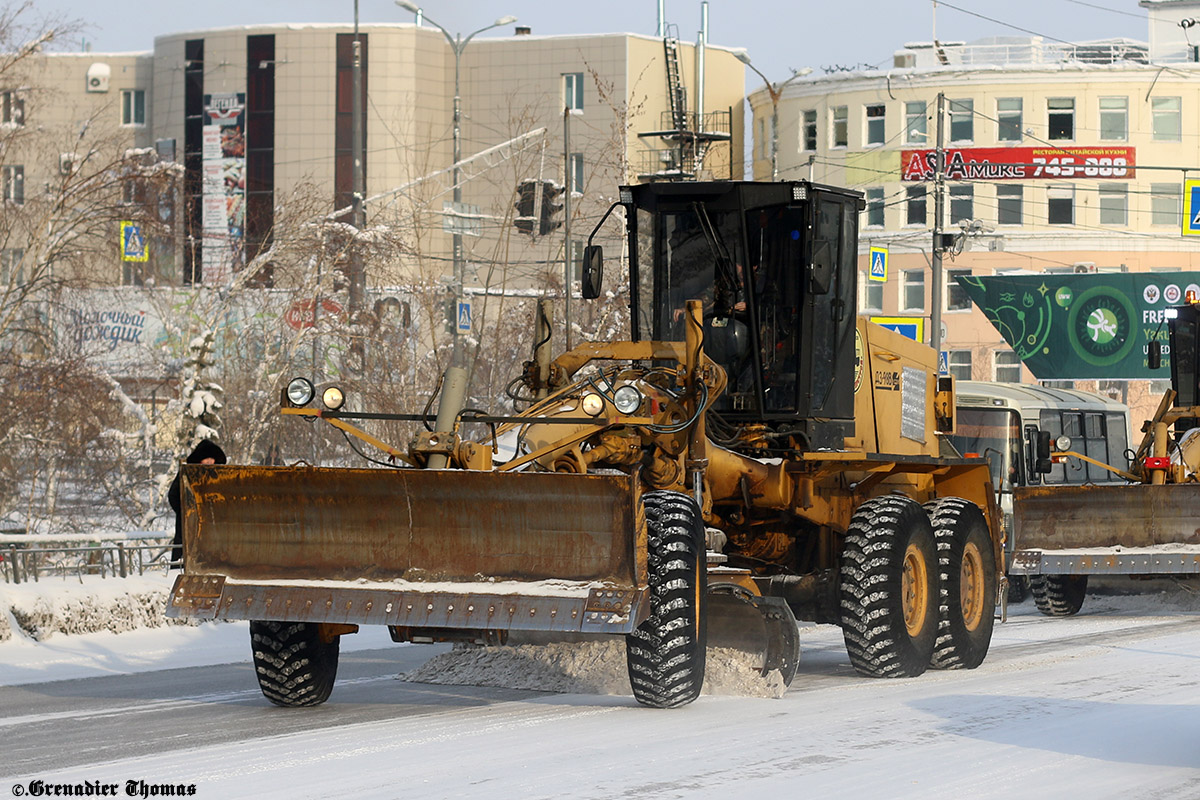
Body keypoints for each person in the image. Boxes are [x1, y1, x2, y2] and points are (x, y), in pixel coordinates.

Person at [168, 440, 227, 569]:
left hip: (213, 525)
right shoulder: (187, 473)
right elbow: (173, 495)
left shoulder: (220, 474)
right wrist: (186, 511)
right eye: (207, 458)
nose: (210, 462)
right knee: (185, 561)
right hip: (190, 524)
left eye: (212, 458)